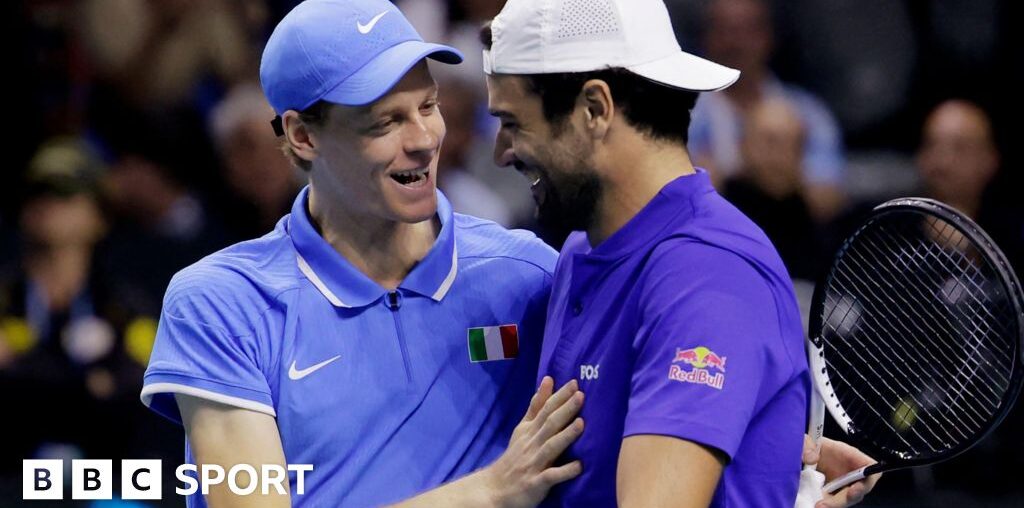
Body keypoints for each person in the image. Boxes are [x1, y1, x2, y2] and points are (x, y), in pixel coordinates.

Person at [141, 0, 582, 506]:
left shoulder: (530, 275)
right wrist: (492, 489)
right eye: (384, 122)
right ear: (303, 136)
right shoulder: (222, 304)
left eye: (428, 106)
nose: (423, 139)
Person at [481, 0, 875, 506]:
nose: (501, 151)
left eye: (513, 122)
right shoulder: (583, 249)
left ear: (595, 109)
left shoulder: (708, 275)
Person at [688, 0, 846, 222]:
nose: (736, 43)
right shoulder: (682, 113)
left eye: (748, 30)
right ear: (705, 37)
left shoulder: (808, 112)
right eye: (724, 30)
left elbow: (830, 197)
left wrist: (781, 177)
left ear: (769, 37)